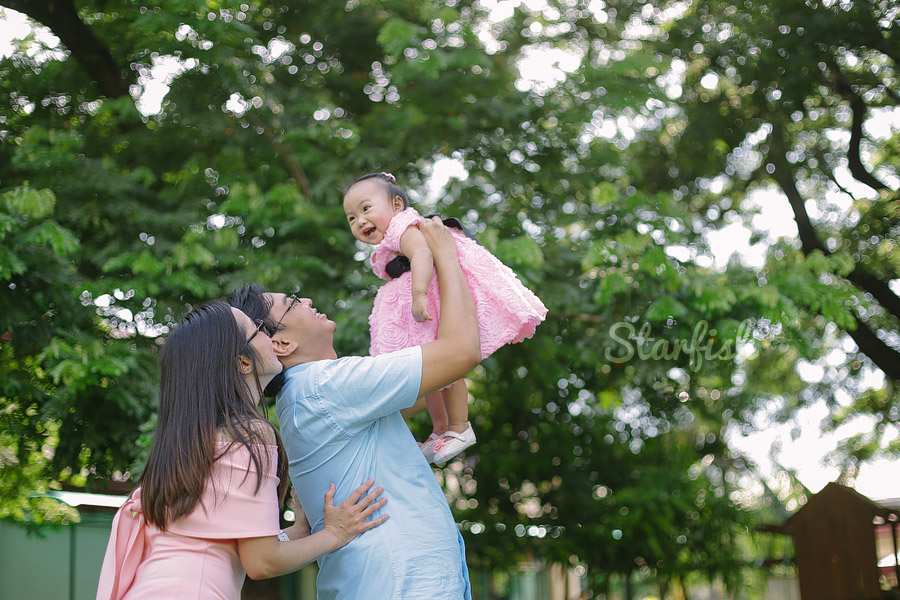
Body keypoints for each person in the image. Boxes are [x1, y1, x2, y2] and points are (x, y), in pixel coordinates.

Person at [231, 216, 482, 599]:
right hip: (403, 585)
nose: (308, 301)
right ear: (280, 344)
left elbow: (425, 387)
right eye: (294, 302)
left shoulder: (303, 398)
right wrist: (445, 256)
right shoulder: (325, 385)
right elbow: (462, 352)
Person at [96, 301, 389, 600]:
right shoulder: (247, 434)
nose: (270, 335)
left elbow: (239, 552)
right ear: (243, 363)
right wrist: (335, 534)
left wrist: (301, 529)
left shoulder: (191, 446)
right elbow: (261, 563)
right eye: (259, 329)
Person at [343, 172, 547, 463]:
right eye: (351, 218)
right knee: (431, 376)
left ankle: (459, 426)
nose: (359, 220)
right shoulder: (390, 239)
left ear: (397, 205)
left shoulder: (404, 228)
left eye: (365, 209)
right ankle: (441, 430)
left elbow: (423, 255)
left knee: (448, 370)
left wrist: (419, 296)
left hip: (431, 301)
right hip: (421, 305)